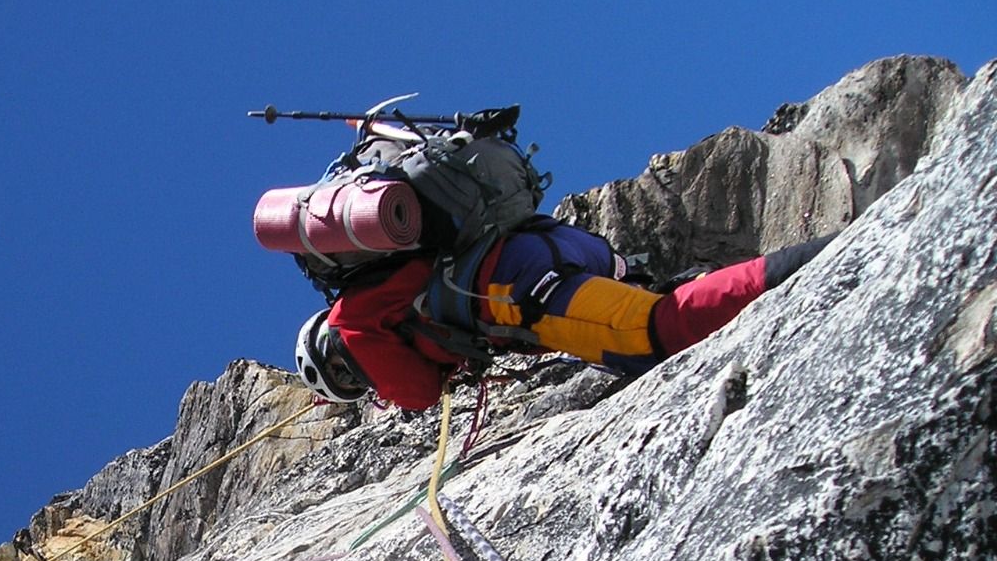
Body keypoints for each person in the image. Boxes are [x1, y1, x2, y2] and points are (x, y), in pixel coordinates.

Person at [294, 218, 837, 409]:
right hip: (545, 247)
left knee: (659, 332)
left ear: (326, 339)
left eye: (343, 372)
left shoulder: (352, 322)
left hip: (523, 287)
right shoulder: (384, 282)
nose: (355, 371)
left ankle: (833, 255)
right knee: (646, 314)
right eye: (350, 381)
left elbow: (417, 392)